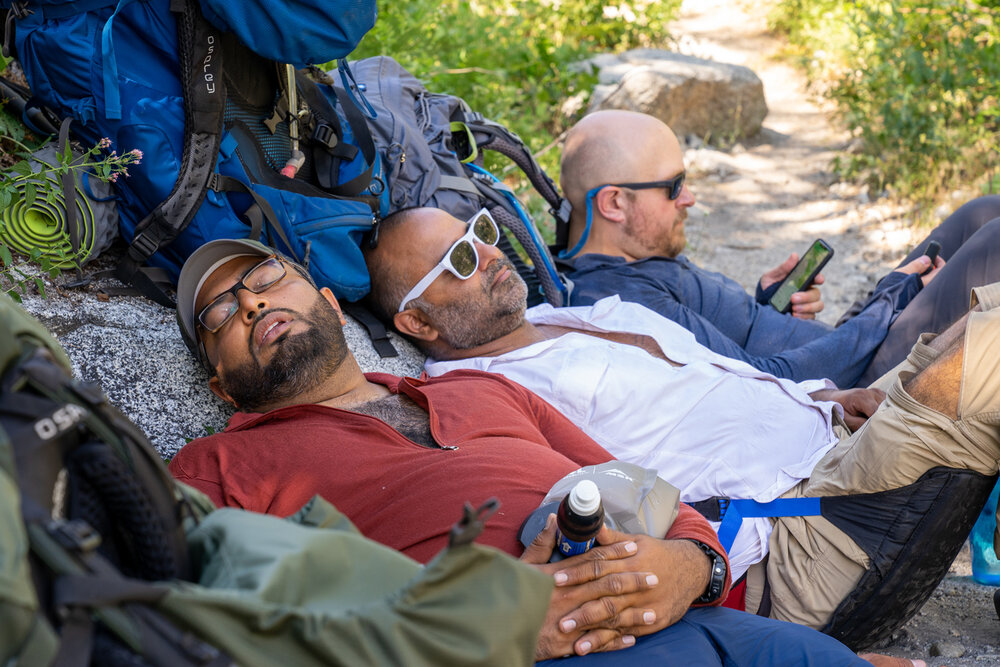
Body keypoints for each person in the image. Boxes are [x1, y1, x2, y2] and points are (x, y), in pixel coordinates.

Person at [163, 238, 884, 666]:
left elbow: (648, 488)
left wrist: (691, 567)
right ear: (221, 387)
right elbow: (228, 629)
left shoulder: (480, 387)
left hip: (681, 616)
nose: (252, 304)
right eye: (220, 314)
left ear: (326, 298)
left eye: (265, 280)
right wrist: (481, 630)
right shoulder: (213, 469)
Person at [364, 205, 1000, 633]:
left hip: (833, 433)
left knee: (986, 236)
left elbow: (717, 384)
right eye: (459, 263)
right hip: (810, 519)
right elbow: (602, 523)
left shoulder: (565, 316)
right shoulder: (483, 396)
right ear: (418, 323)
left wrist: (822, 397)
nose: (488, 255)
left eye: (478, 235)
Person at [555, 109, 1000, 388]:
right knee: (995, 242)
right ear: (615, 202)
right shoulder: (624, 307)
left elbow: (711, 346)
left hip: (835, 350)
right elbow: (766, 385)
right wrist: (892, 301)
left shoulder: (632, 258)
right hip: (849, 385)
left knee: (983, 212)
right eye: (673, 187)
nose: (689, 198)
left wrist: (764, 310)